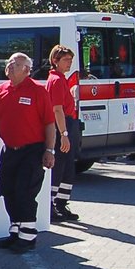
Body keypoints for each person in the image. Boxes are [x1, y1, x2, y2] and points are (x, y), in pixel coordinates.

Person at [0, 53, 57, 251]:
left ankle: (28, 236)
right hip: (10, 151)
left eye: (14, 64)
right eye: (8, 63)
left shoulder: (38, 91)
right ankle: (15, 231)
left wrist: (50, 150)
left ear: (26, 69)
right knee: (8, 191)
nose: (9, 67)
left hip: (32, 150)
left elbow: (50, 123)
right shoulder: (1, 90)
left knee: (25, 192)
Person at [45, 45, 81, 221]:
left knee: (68, 168)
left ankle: (61, 203)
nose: (70, 63)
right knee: (59, 167)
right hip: (62, 125)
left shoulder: (62, 78)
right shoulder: (56, 80)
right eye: (66, 60)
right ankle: (51, 205)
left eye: (71, 60)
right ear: (55, 61)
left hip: (68, 123)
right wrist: (64, 134)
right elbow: (57, 109)